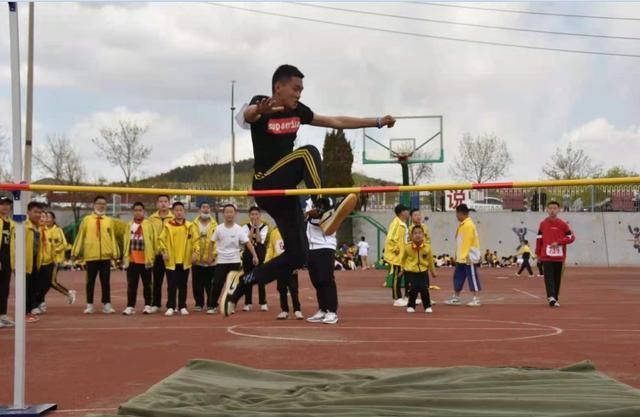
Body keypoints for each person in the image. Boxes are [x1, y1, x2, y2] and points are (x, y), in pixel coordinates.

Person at [220, 64, 395, 316]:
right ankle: (322, 208)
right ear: (278, 87)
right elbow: (247, 116)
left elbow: (335, 120)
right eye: (295, 88)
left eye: (301, 89)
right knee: (307, 153)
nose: (299, 94)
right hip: (266, 182)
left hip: (287, 194)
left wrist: (376, 121)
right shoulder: (262, 103)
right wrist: (259, 109)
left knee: (298, 256)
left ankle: (241, 283)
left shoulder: (298, 111)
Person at [71, 196, 119, 314]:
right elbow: (80, 236)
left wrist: (115, 252)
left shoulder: (109, 220)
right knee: (90, 281)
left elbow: (112, 237)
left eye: (103, 204)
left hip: (105, 256)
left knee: (105, 281)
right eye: (99, 203)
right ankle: (89, 304)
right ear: (94, 205)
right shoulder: (87, 220)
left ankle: (107, 304)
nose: (101, 206)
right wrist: (75, 252)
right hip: (91, 255)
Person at [209, 204, 259, 314]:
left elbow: (248, 243)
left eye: (231, 212)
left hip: (235, 260)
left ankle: (230, 305)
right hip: (221, 260)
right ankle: (212, 305)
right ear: (224, 214)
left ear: (235, 214)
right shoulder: (218, 228)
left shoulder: (239, 229)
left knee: (233, 286)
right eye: (227, 212)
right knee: (217, 283)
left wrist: (255, 255)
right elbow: (211, 242)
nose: (229, 214)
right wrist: (210, 256)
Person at [158, 202, 198, 317]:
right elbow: (161, 240)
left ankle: (182, 306)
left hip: (185, 261)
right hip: (171, 261)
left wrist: (196, 252)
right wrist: (164, 252)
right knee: (171, 285)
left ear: (184, 212)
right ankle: (171, 306)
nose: (179, 212)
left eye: (181, 210)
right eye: (176, 210)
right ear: (173, 212)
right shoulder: (168, 226)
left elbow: (196, 241)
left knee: (183, 284)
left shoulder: (190, 226)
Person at [305, 198, 339, 324]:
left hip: (325, 245)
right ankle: (323, 309)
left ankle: (332, 311)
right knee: (316, 280)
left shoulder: (327, 198)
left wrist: (309, 213)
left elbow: (323, 214)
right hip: (311, 246)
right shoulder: (307, 199)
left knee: (326, 279)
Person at [535, 200, 575, 307]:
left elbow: (571, 237)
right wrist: (538, 254)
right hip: (546, 257)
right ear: (547, 210)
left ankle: (555, 297)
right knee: (548, 278)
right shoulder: (543, 224)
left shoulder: (563, 225)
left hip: (559, 257)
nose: (552, 210)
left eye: (554, 208)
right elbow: (539, 239)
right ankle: (551, 297)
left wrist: (559, 242)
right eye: (550, 208)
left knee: (557, 278)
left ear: (558, 210)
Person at [37, 211, 76, 313]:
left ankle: (68, 293)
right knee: (42, 283)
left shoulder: (57, 230)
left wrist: (54, 251)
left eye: (49, 217)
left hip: (55, 260)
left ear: (53, 219)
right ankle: (41, 303)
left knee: (51, 281)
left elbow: (64, 244)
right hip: (42, 261)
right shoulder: (41, 229)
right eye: (45, 217)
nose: (47, 219)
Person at [122, 202, 156, 315]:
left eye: (140, 210)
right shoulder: (129, 225)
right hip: (132, 260)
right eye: (135, 210)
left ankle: (148, 305)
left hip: (145, 260)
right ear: (133, 212)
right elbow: (126, 241)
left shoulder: (149, 225)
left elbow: (154, 240)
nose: (138, 212)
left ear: (144, 211)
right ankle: (130, 306)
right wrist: (125, 256)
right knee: (132, 285)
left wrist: (153, 255)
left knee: (147, 284)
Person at [444, 204, 482, 307]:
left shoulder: (468, 225)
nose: (456, 216)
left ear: (460, 213)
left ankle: (476, 298)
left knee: (472, 277)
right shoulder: (463, 224)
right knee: (458, 277)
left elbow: (467, 242)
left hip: (469, 257)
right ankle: (456, 297)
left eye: (456, 213)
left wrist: (464, 256)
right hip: (462, 258)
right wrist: (458, 256)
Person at [267, 227, 302, 320]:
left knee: (293, 288)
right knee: (281, 288)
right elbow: (271, 247)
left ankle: (297, 310)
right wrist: (268, 261)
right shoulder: (274, 232)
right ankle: (284, 310)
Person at [402, 225, 437, 314]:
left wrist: (433, 271)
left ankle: (427, 306)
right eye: (415, 233)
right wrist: (402, 269)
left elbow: (430, 260)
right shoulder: (407, 247)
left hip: (423, 271)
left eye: (420, 233)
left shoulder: (427, 247)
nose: (417, 235)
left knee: (424, 289)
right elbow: (402, 259)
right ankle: (411, 305)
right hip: (411, 271)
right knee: (412, 290)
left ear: (423, 235)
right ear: (411, 236)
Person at [149, 194, 174, 314]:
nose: (163, 204)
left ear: (169, 203)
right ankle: (156, 304)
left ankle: (171, 304)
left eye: (165, 201)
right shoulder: (151, 219)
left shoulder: (174, 218)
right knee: (157, 281)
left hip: (170, 255)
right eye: (160, 201)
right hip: (157, 254)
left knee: (171, 281)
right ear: (157, 204)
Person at [241, 206, 269, 312]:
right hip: (248, 254)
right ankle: (248, 303)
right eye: (252, 214)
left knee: (261, 278)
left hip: (260, 253)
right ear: (249, 215)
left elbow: (259, 239)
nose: (254, 217)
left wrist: (256, 227)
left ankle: (263, 303)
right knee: (248, 278)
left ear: (260, 215)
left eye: (256, 214)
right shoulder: (244, 227)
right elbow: (247, 240)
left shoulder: (265, 227)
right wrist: (252, 226)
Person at [191, 202, 217, 312]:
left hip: (211, 260)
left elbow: (217, 242)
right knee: (197, 284)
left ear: (210, 210)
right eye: (203, 207)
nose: (205, 209)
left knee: (210, 284)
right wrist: (193, 254)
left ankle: (211, 304)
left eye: (207, 207)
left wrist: (213, 256)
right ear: (199, 210)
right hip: (197, 260)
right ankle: (198, 303)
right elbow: (191, 240)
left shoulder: (215, 225)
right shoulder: (192, 225)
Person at [384, 204, 409, 307]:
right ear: (402, 212)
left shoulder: (402, 224)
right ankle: (396, 298)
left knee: (400, 276)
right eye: (406, 210)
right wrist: (396, 249)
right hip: (396, 256)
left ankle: (402, 297)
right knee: (396, 277)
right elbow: (390, 238)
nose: (408, 213)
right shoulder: (396, 223)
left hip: (402, 255)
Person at [0, 197, 15, 328]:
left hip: (7, 260)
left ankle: (2, 315)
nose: (5, 207)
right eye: (2, 204)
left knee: (4, 289)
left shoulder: (12, 223)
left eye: (8, 205)